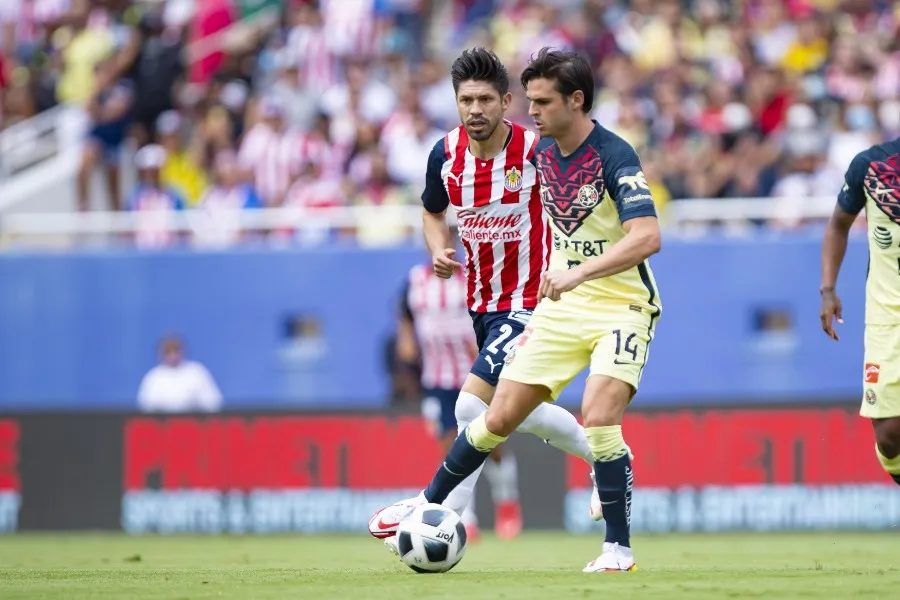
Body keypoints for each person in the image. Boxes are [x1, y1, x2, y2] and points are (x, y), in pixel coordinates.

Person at [370, 48, 662, 573]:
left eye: (486, 99)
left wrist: (572, 273)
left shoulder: (536, 149)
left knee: (468, 409)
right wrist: (438, 246)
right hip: (482, 304)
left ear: (506, 104)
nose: (475, 109)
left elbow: (636, 221)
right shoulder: (446, 155)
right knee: (497, 414)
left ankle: (432, 509)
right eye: (465, 100)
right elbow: (432, 211)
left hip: (535, 299)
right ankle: (603, 459)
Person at [396, 240, 524, 540]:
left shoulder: (471, 278)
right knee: (449, 445)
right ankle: (465, 517)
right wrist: (406, 338)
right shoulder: (415, 281)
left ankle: (507, 502)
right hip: (437, 377)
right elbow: (404, 312)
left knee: (490, 444)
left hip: (476, 373)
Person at [820, 139, 900, 489]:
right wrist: (827, 290)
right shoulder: (872, 167)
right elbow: (839, 224)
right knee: (889, 433)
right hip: (889, 315)